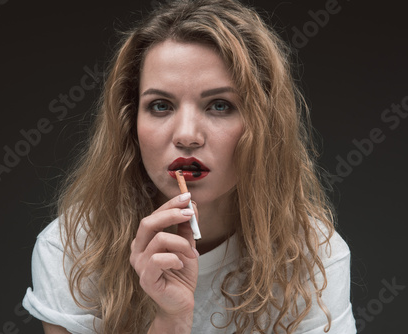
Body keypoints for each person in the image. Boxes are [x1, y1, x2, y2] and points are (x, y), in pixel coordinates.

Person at [22, 0, 356, 333]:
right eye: (161, 105)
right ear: (130, 123)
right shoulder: (74, 250)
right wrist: (171, 320)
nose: (186, 136)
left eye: (220, 105)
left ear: (262, 124)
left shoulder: (314, 257)